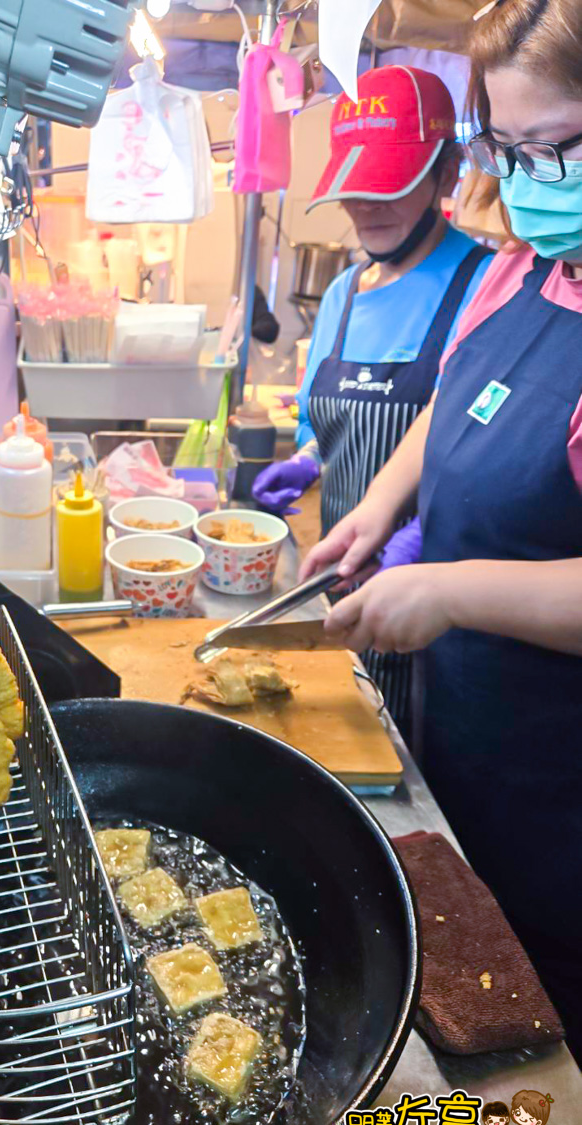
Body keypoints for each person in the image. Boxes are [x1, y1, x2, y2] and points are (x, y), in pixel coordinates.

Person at [301, 0, 582, 1059]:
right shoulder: (521, 267)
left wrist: (449, 588)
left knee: (535, 1089)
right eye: (509, 152)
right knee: (457, 1028)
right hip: (465, 741)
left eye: (558, 150)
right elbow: (452, 396)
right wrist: (378, 511)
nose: (532, 183)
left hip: (562, 794)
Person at [254, 66, 491, 731]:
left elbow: (479, 448)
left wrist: (421, 529)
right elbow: (321, 422)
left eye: (392, 185)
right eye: (356, 189)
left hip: (430, 614)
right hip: (338, 582)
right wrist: (306, 459)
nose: (368, 208)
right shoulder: (342, 294)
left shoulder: (484, 287)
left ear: (448, 175)